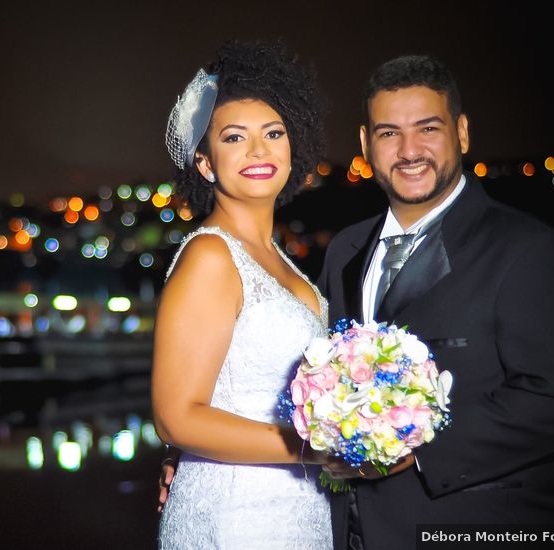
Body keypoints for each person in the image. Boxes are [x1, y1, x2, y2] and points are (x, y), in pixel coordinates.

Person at [315, 54, 554, 549]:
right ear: (366, 145)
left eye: (427, 128)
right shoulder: (345, 250)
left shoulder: (531, 250)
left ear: (462, 133)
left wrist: (417, 446)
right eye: (388, 133)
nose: (408, 151)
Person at [153, 40, 333, 549]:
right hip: (234, 519)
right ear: (206, 164)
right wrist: (314, 449)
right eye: (235, 138)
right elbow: (176, 415)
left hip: (300, 514)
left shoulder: (281, 259)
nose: (259, 151)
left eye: (273, 133)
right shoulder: (211, 256)